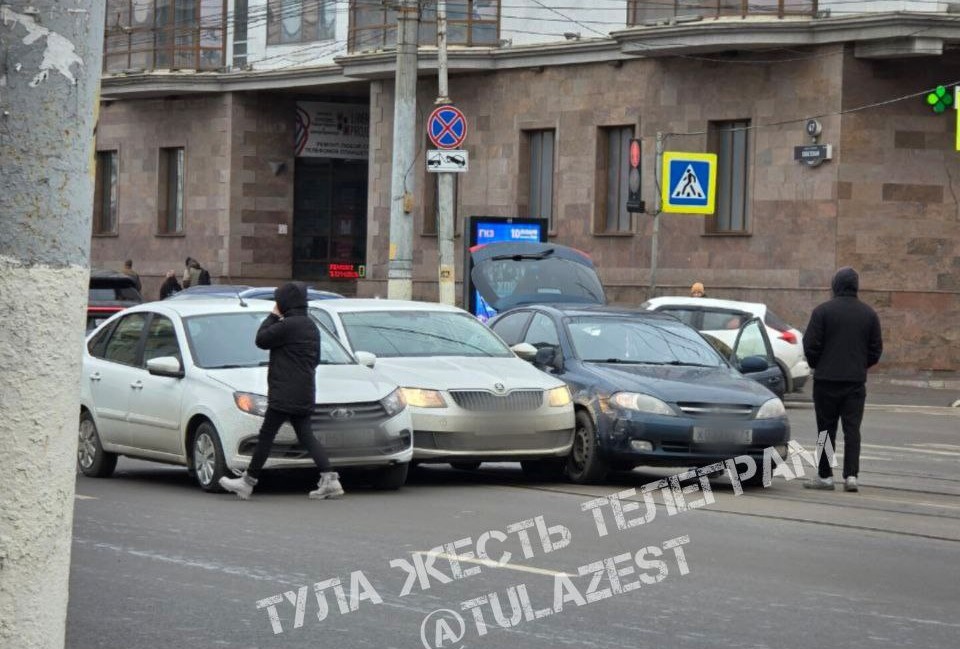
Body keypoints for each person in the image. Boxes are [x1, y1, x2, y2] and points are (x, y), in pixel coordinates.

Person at [219, 282, 343, 501]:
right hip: (305, 389)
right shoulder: (310, 325)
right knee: (306, 435)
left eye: (278, 301)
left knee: (267, 435)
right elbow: (313, 360)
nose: (276, 304)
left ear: (285, 302)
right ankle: (330, 480)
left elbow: (261, 339)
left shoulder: (288, 325)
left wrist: (273, 316)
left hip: (284, 391)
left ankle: (247, 483)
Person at [802, 267, 883, 493]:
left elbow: (809, 346)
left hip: (826, 381)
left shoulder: (823, 312)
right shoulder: (869, 314)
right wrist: (859, 365)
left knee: (825, 430)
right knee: (852, 430)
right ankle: (851, 477)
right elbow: (876, 349)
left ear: (835, 285)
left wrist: (820, 364)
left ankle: (825, 476)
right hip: (855, 382)